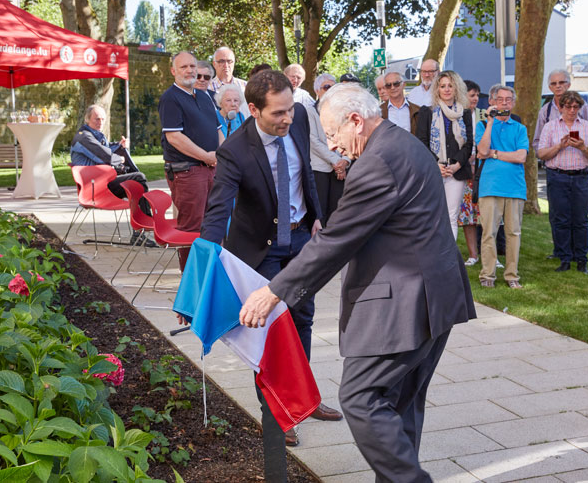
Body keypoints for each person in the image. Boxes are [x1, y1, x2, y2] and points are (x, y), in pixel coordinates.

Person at [237, 82, 476, 483]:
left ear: (355, 120)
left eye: (332, 135)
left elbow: (336, 239)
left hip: (409, 304)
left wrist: (273, 290)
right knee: (401, 403)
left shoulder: (378, 161)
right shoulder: (402, 143)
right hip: (438, 294)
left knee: (360, 397)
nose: (334, 147)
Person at [198, 70, 342, 471]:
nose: (287, 119)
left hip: (298, 242)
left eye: (291, 109)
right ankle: (278, 415)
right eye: (278, 113)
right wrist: (206, 261)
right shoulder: (235, 150)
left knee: (304, 319)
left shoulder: (295, 126)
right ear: (253, 109)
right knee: (268, 333)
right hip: (259, 252)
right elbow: (218, 208)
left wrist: (315, 216)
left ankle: (301, 397)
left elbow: (305, 179)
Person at [158, 51, 219, 270]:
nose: (190, 71)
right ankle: (191, 279)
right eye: (184, 67)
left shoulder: (205, 96)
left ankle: (209, 273)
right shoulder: (170, 98)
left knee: (213, 224)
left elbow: (218, 130)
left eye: (192, 66)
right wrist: (206, 157)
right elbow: (174, 137)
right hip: (188, 172)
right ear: (173, 71)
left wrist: (220, 156)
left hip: (212, 169)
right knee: (191, 229)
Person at [70, 104, 154, 245]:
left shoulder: (93, 135)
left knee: (136, 180)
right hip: (94, 189)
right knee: (138, 179)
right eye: (96, 119)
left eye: (103, 119)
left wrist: (119, 146)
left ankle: (142, 230)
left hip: (102, 183)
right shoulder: (83, 137)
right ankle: (144, 227)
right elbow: (103, 155)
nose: (100, 122)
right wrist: (119, 159)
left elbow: (106, 147)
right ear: (87, 120)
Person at [537, 91, 588, 274]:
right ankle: (564, 258)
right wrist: (559, 146)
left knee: (580, 220)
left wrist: (582, 147)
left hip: (580, 176)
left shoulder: (587, 127)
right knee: (561, 219)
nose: (572, 110)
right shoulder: (550, 127)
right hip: (558, 176)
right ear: (561, 107)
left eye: (576, 107)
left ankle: (581, 259)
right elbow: (541, 154)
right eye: (568, 106)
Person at [475, 84, 529, 289]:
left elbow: (521, 156)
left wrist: (495, 154)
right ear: (492, 102)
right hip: (490, 186)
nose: (504, 103)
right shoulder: (482, 125)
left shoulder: (520, 128)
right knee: (489, 232)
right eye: (500, 99)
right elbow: (482, 151)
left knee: (513, 233)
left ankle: (512, 275)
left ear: (513, 103)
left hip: (515, 188)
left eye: (508, 100)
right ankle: (487, 274)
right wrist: (490, 123)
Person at [415, 70, 473, 240]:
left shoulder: (465, 112)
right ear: (437, 89)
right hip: (433, 170)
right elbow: (422, 142)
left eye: (450, 86)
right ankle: (432, 257)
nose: (447, 89)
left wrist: (456, 165)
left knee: (451, 216)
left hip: (457, 171)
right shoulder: (427, 111)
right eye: (442, 86)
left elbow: (469, 144)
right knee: (431, 215)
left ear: (457, 89)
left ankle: (449, 260)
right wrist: (436, 165)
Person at [309, 74, 348, 226]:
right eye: (327, 87)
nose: (331, 90)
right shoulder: (309, 111)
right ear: (317, 90)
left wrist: (345, 161)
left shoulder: (343, 111)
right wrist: (336, 161)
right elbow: (314, 141)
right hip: (320, 169)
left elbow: (349, 137)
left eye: (334, 87)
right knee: (320, 214)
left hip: (340, 170)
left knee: (338, 212)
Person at [459, 80, 483, 266]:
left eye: (476, 95)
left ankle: (491, 254)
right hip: (465, 171)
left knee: (487, 214)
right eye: (471, 95)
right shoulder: (457, 117)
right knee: (468, 216)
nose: (475, 99)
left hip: (484, 172)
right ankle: (473, 254)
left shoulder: (483, 116)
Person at [209, 46, 249, 116]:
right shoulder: (207, 88)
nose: (226, 65)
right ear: (214, 64)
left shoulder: (246, 86)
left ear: (234, 63)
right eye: (221, 61)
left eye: (229, 61)